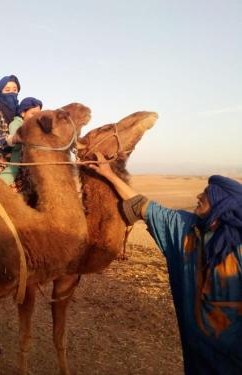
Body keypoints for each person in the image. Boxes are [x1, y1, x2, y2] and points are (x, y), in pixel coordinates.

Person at [90, 152, 242, 375]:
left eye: (207, 194)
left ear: (222, 204)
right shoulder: (187, 229)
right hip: (197, 356)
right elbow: (143, 207)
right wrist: (109, 174)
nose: (199, 195)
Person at [0, 97, 43, 185]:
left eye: (38, 115)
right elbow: (16, 136)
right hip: (17, 157)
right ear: (23, 113)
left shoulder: (34, 128)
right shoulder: (17, 123)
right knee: (11, 172)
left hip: (28, 160)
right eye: (33, 113)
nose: (35, 117)